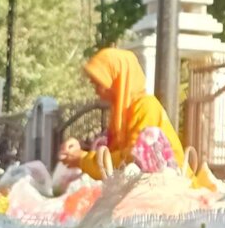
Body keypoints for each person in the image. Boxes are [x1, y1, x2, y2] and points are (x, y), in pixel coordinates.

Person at [76, 48, 189, 179]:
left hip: (174, 189)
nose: (96, 91)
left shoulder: (146, 107)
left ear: (117, 80)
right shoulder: (121, 114)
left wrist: (82, 160)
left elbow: (132, 161)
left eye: (99, 83)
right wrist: (83, 150)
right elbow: (115, 155)